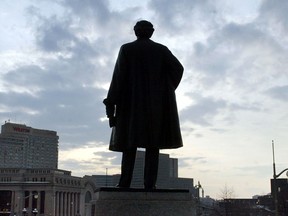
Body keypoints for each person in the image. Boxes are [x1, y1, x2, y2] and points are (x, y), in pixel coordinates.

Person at [103, 20, 183, 190]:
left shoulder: (127, 49)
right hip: (155, 107)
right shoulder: (161, 50)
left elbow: (118, 78)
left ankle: (124, 183)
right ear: (152, 32)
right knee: (153, 145)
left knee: (129, 145)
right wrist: (165, 90)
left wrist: (111, 103)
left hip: (130, 106)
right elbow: (178, 68)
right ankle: (150, 185)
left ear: (135, 32)